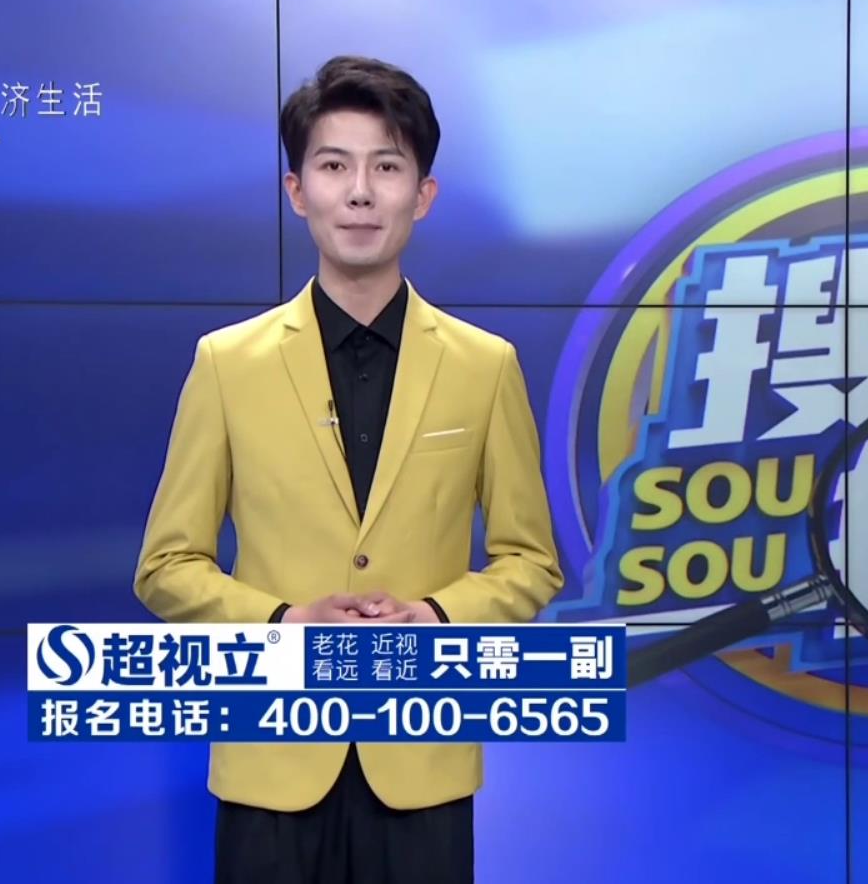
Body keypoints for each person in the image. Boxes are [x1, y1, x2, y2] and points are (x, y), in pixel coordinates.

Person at [132, 55, 564, 883]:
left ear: (423, 195)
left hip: (422, 762)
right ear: (297, 191)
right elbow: (166, 566)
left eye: (386, 168)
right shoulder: (227, 364)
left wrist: (436, 616)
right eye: (334, 167)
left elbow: (531, 560)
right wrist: (282, 623)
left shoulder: (485, 366)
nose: (360, 192)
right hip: (272, 764)